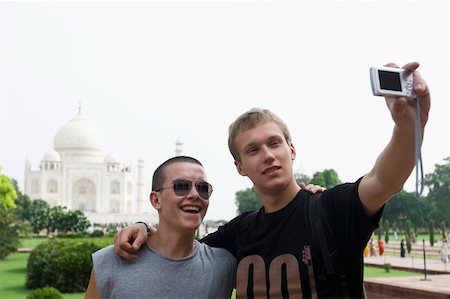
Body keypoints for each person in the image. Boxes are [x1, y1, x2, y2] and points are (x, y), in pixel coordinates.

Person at [114, 62, 430, 298]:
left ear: (291, 150)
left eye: (274, 143)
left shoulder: (330, 209)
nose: (267, 155)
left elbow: (385, 178)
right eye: (253, 150)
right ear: (240, 167)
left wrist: (406, 125)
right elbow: (178, 252)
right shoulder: (238, 234)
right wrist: (143, 228)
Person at [84, 156, 237, 299]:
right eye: (182, 186)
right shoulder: (110, 261)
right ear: (156, 200)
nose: (195, 194)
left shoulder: (223, 265)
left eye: (203, 188)